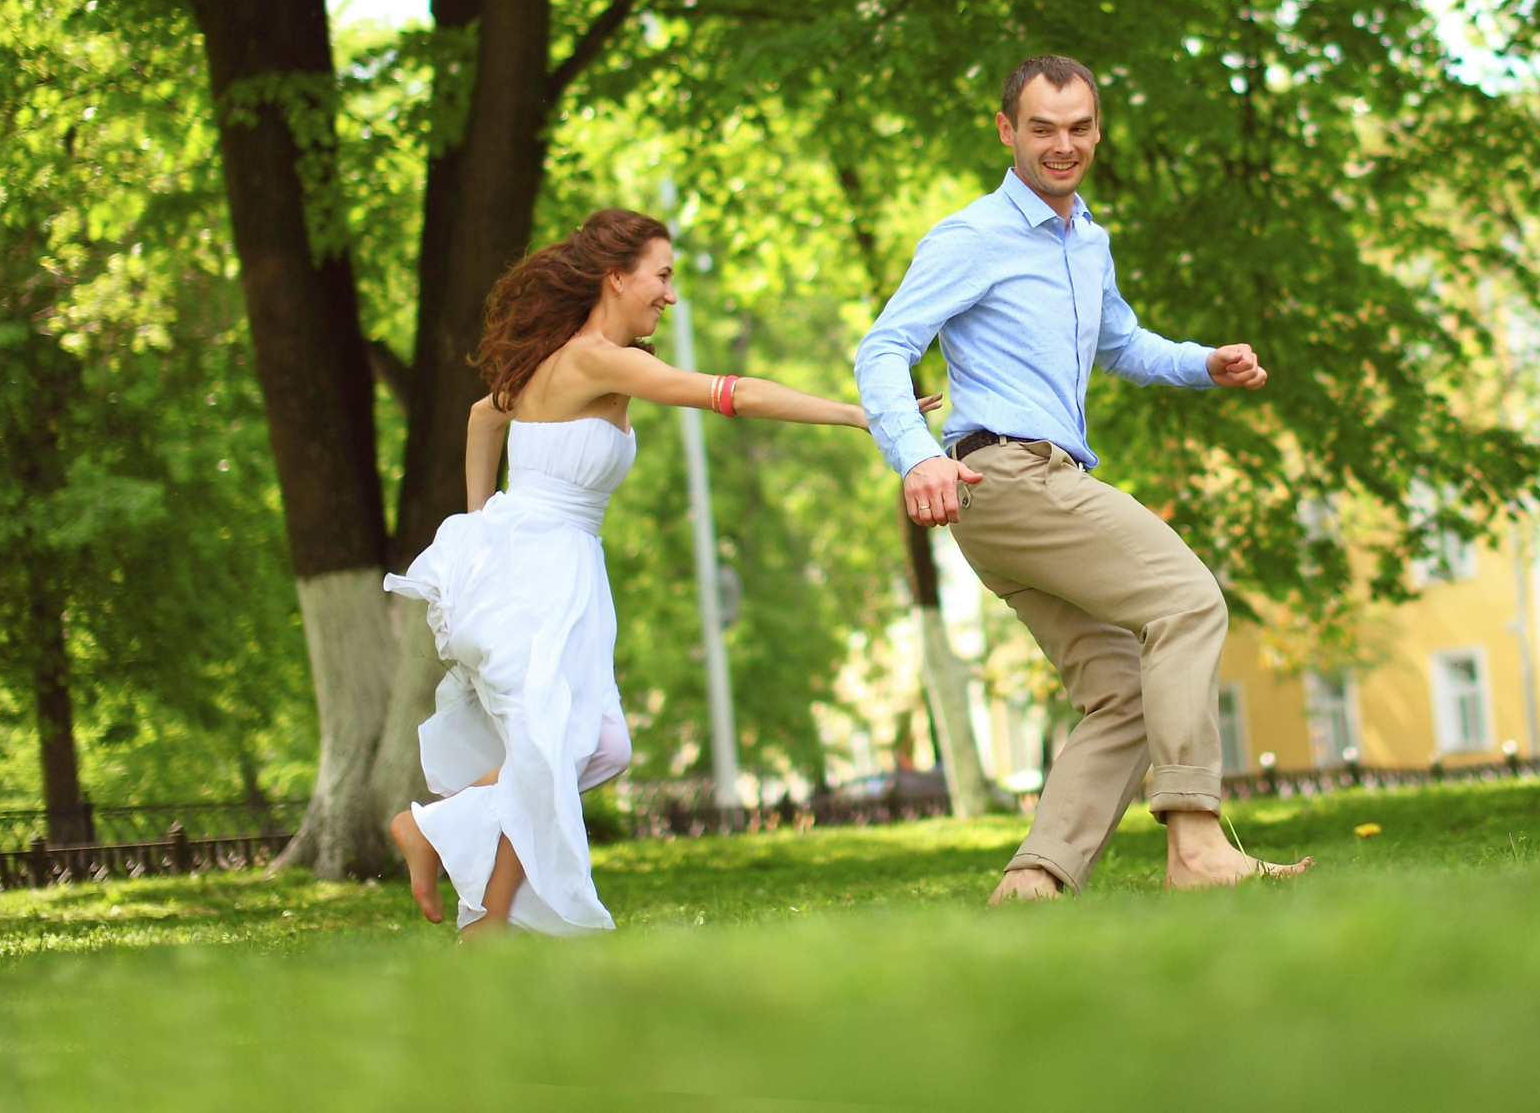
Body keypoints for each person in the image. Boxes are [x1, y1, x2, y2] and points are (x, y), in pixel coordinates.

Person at [387, 208, 931, 939]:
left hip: (561, 560)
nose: (670, 294)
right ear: (618, 276)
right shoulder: (594, 358)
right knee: (557, 746)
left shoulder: (565, 359)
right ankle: (434, 838)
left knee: (587, 746)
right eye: (663, 275)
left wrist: (483, 521)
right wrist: (857, 414)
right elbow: (729, 393)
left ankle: (482, 916)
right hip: (543, 564)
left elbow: (485, 416)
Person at [855, 54, 1312, 903]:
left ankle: (1035, 880)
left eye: (1078, 128)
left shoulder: (1086, 240)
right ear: (1006, 131)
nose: (1062, 145)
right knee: (1187, 599)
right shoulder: (973, 236)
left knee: (1124, 692)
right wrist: (915, 454)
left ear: (1096, 129)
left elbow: (1123, 343)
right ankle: (1198, 844)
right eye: (1042, 128)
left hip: (1021, 490)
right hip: (1004, 472)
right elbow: (882, 347)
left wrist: (1203, 363)